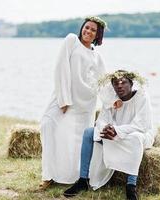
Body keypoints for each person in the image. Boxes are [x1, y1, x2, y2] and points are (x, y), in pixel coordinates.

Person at [63, 70, 155, 200]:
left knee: (136, 138)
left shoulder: (142, 97)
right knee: (89, 132)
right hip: (113, 134)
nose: (120, 86)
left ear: (131, 83)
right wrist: (106, 129)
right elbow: (102, 120)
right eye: (116, 83)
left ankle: (131, 186)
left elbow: (141, 125)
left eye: (123, 82)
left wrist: (117, 130)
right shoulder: (112, 99)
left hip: (136, 134)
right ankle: (83, 180)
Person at [39, 16, 108, 190]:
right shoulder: (71, 41)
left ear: (97, 36)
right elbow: (60, 68)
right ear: (82, 28)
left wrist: (114, 100)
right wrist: (64, 99)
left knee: (76, 140)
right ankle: (48, 175)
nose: (88, 31)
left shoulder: (97, 56)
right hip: (64, 97)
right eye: (87, 27)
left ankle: (74, 176)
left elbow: (104, 81)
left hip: (86, 102)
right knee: (48, 125)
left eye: (93, 30)